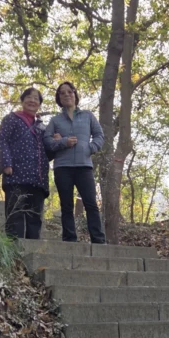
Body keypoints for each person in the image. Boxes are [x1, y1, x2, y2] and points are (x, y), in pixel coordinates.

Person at [44, 81, 106, 244]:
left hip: (84, 166)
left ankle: (98, 240)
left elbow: (99, 135)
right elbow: (47, 141)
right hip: (62, 168)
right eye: (62, 93)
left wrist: (90, 148)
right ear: (59, 98)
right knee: (66, 205)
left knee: (91, 203)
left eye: (69, 92)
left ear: (75, 94)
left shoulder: (87, 116)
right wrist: (63, 142)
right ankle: (70, 240)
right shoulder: (55, 120)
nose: (66, 95)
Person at [0, 87, 50, 239]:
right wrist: (6, 163)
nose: (32, 101)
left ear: (39, 104)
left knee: (35, 218)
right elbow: (2, 140)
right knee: (15, 215)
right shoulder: (11, 119)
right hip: (15, 175)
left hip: (37, 178)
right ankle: (14, 254)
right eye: (29, 97)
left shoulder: (42, 127)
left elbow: (48, 150)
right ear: (22, 100)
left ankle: (34, 254)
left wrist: (59, 140)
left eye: (36, 99)